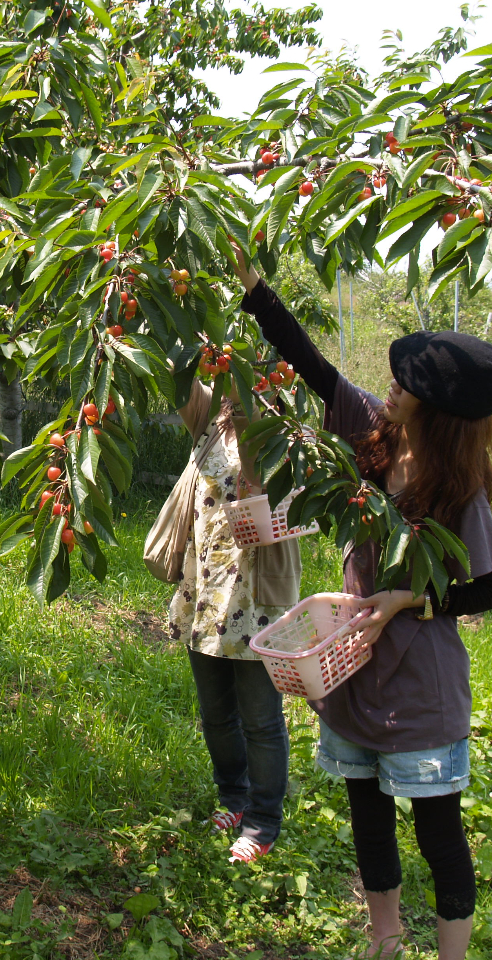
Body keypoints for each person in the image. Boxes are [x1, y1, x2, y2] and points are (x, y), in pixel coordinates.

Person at [233, 244, 492, 959]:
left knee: (438, 834)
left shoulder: (459, 490)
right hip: (353, 672)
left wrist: (404, 602)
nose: (391, 384)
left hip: (420, 689)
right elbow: (313, 366)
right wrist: (253, 286)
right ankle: (384, 939)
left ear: (440, 406)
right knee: (368, 814)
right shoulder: (374, 440)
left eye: (408, 381)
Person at [169, 346, 302, 863]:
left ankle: (264, 820)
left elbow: (260, 472)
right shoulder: (207, 421)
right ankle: (233, 795)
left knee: (261, 717)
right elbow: (176, 379)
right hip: (205, 591)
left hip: (256, 595)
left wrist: (249, 393)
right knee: (215, 713)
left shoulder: (282, 437)